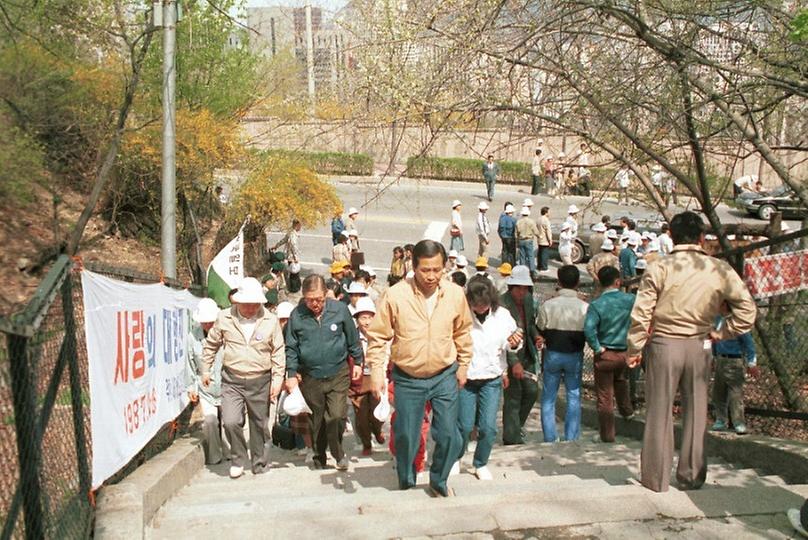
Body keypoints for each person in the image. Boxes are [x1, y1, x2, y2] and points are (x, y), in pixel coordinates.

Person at [627, 211, 756, 493]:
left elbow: (642, 313)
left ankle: (656, 479)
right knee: (697, 412)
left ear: (670, 235)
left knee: (659, 411)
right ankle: (692, 476)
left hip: (663, 343)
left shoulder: (659, 267)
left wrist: (634, 348)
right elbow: (747, 311)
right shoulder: (719, 268)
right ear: (701, 238)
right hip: (701, 343)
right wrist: (721, 332)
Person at [366, 239, 474, 497]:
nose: (431, 276)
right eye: (425, 270)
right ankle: (406, 479)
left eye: (437, 269)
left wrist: (464, 365)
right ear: (413, 267)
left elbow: (463, 331)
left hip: (444, 374)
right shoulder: (396, 295)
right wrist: (377, 372)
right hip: (408, 377)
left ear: (444, 267)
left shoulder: (455, 294)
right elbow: (378, 336)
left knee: (449, 434)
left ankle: (439, 479)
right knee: (406, 435)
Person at [202, 277, 285, 479]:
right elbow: (211, 344)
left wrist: (277, 379)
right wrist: (206, 369)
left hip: (261, 379)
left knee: (259, 424)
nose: (250, 309)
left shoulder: (270, 320)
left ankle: (260, 462)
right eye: (246, 305)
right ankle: (238, 457)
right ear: (237, 302)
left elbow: (278, 351)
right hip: (232, 379)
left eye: (254, 305)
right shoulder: (224, 318)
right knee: (230, 421)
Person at [284, 275, 364, 471]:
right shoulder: (297, 316)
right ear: (303, 297)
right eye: (310, 299)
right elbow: (291, 348)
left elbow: (353, 338)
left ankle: (338, 453)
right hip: (311, 376)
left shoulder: (339, 310)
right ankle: (319, 456)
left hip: (338, 372)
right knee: (316, 419)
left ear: (325, 295)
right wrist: (292, 373)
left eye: (319, 299)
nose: (315, 304)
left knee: (336, 416)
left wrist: (358, 362)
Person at [456, 276, 522, 480]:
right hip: (466, 377)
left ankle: (480, 462)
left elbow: (513, 343)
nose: (481, 309)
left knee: (488, 426)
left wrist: (514, 343)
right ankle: (455, 458)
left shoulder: (503, 316)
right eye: (476, 306)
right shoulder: (462, 314)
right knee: (465, 424)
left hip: (491, 377)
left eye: (484, 306)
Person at [584, 266, 635, 443]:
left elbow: (589, 330)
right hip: (625, 351)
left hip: (605, 353)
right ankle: (627, 411)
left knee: (604, 396)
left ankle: (607, 434)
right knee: (621, 381)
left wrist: (597, 348)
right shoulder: (630, 300)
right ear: (617, 281)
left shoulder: (597, 305)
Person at [537, 265, 588, 442]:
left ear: (559, 281)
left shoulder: (548, 305)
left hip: (553, 353)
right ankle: (571, 436)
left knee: (549, 396)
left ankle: (550, 437)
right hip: (574, 354)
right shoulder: (584, 307)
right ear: (578, 282)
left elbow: (541, 327)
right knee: (573, 395)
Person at [499, 265, 541, 445]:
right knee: (513, 396)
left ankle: (516, 427)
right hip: (510, 355)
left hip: (527, 353)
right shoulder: (502, 304)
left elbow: (530, 324)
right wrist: (513, 362)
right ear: (511, 287)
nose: (522, 292)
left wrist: (537, 335)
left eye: (525, 288)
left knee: (532, 391)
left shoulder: (529, 301)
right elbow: (503, 337)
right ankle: (511, 437)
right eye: (519, 288)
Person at [186, 298, 228, 465]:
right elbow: (189, 363)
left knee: (230, 422)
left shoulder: (226, 333)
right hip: (206, 387)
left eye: (210, 322)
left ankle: (231, 453)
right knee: (210, 421)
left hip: (227, 384)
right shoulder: (192, 337)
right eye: (204, 323)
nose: (207, 326)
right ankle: (214, 456)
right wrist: (191, 387)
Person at [711, 302, 758, 435]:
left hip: (734, 360)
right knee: (718, 392)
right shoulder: (718, 320)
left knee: (735, 394)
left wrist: (751, 363)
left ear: (725, 304)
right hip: (720, 359)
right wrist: (712, 357)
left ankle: (738, 422)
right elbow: (713, 338)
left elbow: (749, 344)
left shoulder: (738, 322)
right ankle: (720, 419)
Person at [349, 297, 385, 455]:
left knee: (376, 411)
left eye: (370, 317)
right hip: (359, 379)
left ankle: (377, 431)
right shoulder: (352, 337)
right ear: (357, 319)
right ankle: (366, 443)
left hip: (376, 376)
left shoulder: (381, 335)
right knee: (361, 415)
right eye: (363, 317)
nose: (367, 321)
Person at [516, 206, 540, 279]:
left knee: (522, 256)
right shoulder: (531, 221)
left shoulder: (518, 222)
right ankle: (532, 271)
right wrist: (539, 236)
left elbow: (516, 233)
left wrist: (517, 241)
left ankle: (522, 271)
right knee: (530, 256)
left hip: (521, 240)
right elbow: (535, 231)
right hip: (529, 240)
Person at [537, 206, 553, 272]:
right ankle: (544, 267)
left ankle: (539, 266)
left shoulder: (538, 219)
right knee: (544, 254)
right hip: (545, 239)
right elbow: (548, 231)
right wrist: (550, 239)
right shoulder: (546, 220)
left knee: (540, 253)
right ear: (546, 212)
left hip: (539, 238)